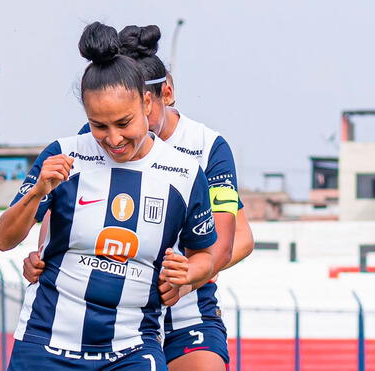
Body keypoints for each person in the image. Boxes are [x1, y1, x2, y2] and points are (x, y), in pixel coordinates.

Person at [22, 25, 255, 370]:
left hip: (182, 306)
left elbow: (236, 240)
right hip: (113, 316)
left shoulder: (206, 148)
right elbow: (65, 215)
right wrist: (43, 257)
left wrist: (191, 274)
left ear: (161, 96)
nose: (115, 136)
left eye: (133, 115)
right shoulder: (102, 136)